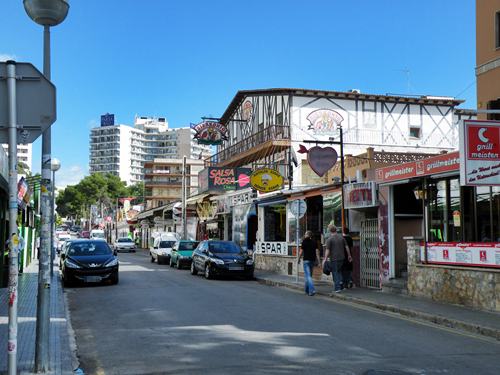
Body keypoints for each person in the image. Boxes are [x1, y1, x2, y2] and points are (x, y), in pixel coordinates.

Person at [323, 224, 352, 293]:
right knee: (339, 271)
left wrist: (325, 259)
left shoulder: (329, 239)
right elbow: (347, 247)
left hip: (334, 259)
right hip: (342, 258)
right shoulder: (342, 238)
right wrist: (349, 255)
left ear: (330, 231)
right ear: (336, 230)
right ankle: (341, 283)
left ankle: (337, 288)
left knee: (335, 273)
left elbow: (327, 250)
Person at [298, 231, 321, 296]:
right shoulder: (314, 242)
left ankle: (312, 290)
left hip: (306, 261)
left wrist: (298, 259)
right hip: (312, 261)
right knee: (309, 276)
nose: (304, 235)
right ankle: (306, 290)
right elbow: (317, 252)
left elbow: (301, 252)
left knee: (308, 276)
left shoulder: (304, 242)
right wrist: (319, 262)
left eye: (305, 234)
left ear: (307, 235)